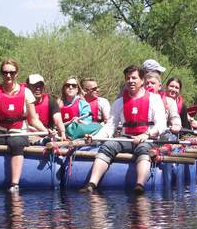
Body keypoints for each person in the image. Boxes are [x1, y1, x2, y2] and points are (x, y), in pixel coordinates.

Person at [0, 58, 53, 193]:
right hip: (0, 130)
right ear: (1, 73)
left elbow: (33, 119)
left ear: (16, 74)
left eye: (11, 73)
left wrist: (46, 131)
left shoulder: (26, 93)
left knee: (17, 142)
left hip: (19, 131)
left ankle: (14, 184)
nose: (8, 75)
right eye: (5, 72)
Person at [83, 65, 167, 193]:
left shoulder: (154, 100)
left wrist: (147, 134)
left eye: (134, 78)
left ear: (142, 80)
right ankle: (91, 184)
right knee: (108, 146)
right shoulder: (119, 102)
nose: (131, 81)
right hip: (126, 138)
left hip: (148, 139)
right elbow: (110, 126)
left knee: (144, 149)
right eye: (128, 78)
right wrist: (94, 138)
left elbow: (161, 124)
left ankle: (139, 185)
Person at [26, 74, 66, 142]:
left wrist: (62, 132)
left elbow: (58, 120)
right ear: (28, 87)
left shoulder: (51, 101)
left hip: (48, 135)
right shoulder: (23, 101)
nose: (38, 88)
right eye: (34, 85)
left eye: (40, 86)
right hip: (29, 135)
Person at [144, 72, 182, 138]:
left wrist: (176, 125)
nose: (149, 85)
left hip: (159, 136)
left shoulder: (170, 101)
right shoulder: (137, 100)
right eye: (147, 83)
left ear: (159, 86)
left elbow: (175, 117)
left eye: (152, 83)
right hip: (140, 134)